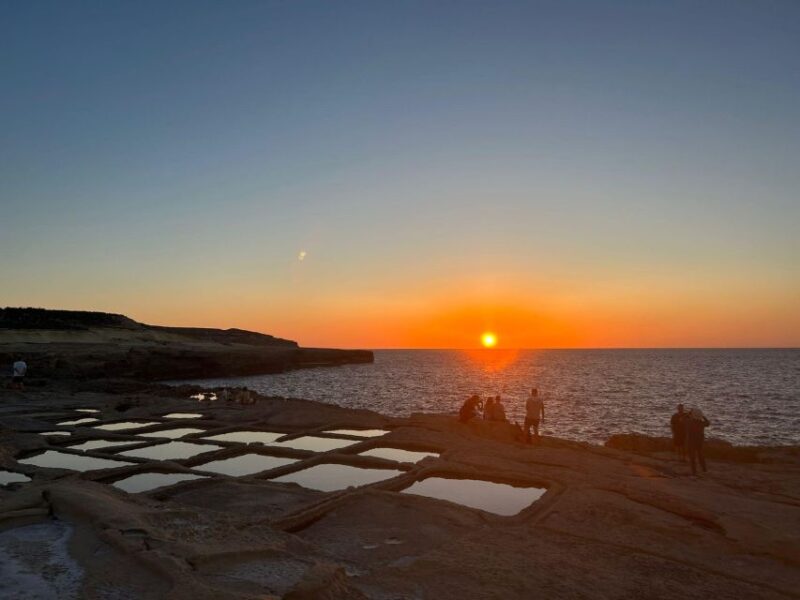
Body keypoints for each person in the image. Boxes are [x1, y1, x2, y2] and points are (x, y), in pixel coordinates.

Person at [685, 408, 710, 476]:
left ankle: (694, 472)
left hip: (691, 442)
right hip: (700, 442)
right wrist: (703, 416)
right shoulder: (701, 423)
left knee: (692, 457)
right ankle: (704, 470)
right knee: (700, 455)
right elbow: (708, 423)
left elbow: (683, 419)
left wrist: (688, 414)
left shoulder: (689, 422)